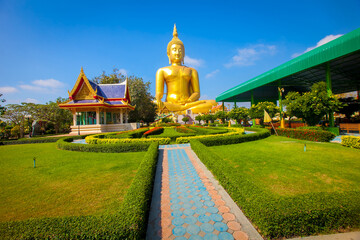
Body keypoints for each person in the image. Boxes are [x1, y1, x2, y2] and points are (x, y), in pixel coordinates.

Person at [155, 25, 217, 114]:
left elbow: (197, 93)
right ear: (168, 54)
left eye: (180, 50)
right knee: (154, 104)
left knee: (213, 102)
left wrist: (189, 100)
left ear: (184, 53)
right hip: (170, 103)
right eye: (174, 50)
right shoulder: (162, 70)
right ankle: (184, 111)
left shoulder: (192, 71)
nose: (177, 53)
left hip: (188, 103)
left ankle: (181, 111)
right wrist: (157, 100)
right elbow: (159, 93)